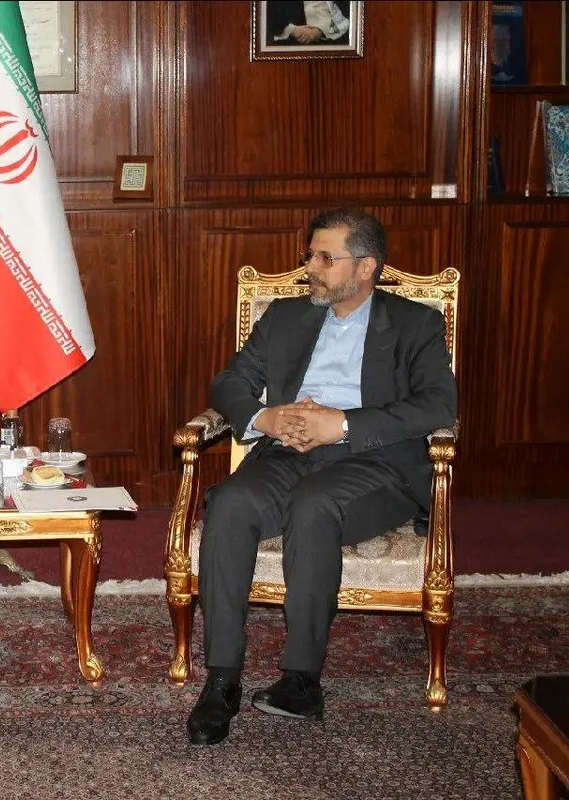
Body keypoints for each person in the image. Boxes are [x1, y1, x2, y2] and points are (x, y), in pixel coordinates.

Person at [187, 208, 456, 746]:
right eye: (310, 254)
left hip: (375, 464)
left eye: (325, 258)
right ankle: (222, 678)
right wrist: (267, 418)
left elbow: (437, 404)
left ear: (366, 267)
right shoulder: (285, 317)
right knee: (231, 504)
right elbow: (230, 382)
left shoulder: (415, 324)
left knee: (314, 505)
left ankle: (301, 680)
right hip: (287, 452)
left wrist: (344, 425)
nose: (309, 266)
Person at [266, 1, 352, 46]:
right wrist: (293, 30)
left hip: (332, 38)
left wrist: (319, 30)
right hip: (287, 40)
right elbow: (267, 11)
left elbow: (347, 12)